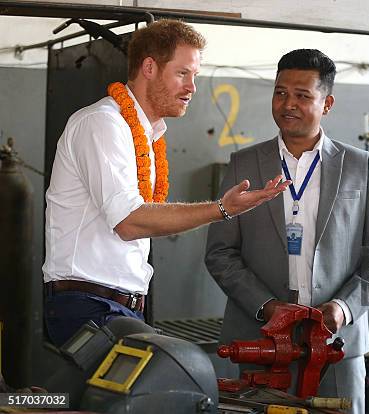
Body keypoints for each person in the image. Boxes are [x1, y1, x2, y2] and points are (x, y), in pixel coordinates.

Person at [42, 19, 289, 347]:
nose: (192, 87)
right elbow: (129, 222)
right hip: (88, 306)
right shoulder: (102, 124)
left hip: (118, 308)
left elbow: (140, 218)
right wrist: (221, 209)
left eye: (195, 76)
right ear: (149, 67)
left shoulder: (146, 134)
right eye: (182, 73)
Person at [205, 49, 369, 414]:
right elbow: (220, 252)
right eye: (280, 93)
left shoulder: (358, 165)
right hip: (262, 339)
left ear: (327, 103)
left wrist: (343, 308)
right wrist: (266, 306)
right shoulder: (245, 163)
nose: (287, 104)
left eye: (302, 95)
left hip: (338, 342)